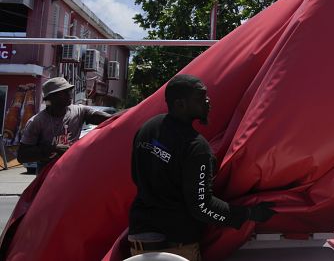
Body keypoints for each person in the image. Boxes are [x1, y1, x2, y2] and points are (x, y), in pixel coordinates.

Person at [128, 74, 276, 260]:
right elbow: (201, 206)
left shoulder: (147, 129)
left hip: (140, 239)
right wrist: (249, 214)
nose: (207, 101)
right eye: (200, 97)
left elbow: (136, 177)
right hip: (174, 247)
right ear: (180, 104)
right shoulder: (196, 147)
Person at [17, 76, 111, 172]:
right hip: (47, 174)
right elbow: (22, 156)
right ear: (51, 97)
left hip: (72, 171)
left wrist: (126, 115)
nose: (69, 94)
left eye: (69, 90)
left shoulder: (80, 111)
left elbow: (110, 119)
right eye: (64, 92)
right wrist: (52, 149)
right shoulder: (37, 121)